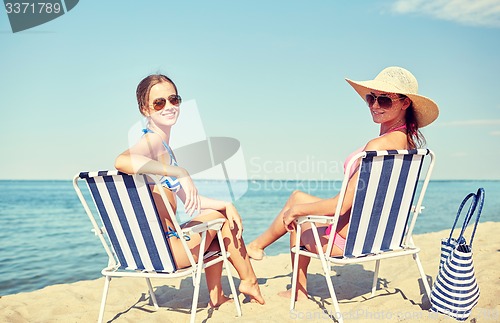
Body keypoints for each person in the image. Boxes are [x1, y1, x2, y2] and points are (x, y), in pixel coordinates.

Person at [246, 66, 439, 300]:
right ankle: (256, 246)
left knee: (296, 217)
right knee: (297, 196)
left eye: (385, 101)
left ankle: (297, 290)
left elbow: (344, 204)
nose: (375, 106)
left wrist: (297, 212)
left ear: (405, 103)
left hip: (348, 241)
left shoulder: (377, 147)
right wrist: (299, 206)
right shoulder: (407, 146)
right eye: (371, 98)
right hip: (380, 237)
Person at [115, 74, 265, 307]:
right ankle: (249, 280)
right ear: (145, 109)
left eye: (173, 99)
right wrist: (180, 172)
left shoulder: (162, 148)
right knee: (221, 221)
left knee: (219, 216)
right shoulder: (153, 142)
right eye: (159, 102)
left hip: (149, 254)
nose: (169, 106)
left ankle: (219, 295)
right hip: (167, 254)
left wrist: (225, 203)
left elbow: (191, 201)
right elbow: (122, 161)